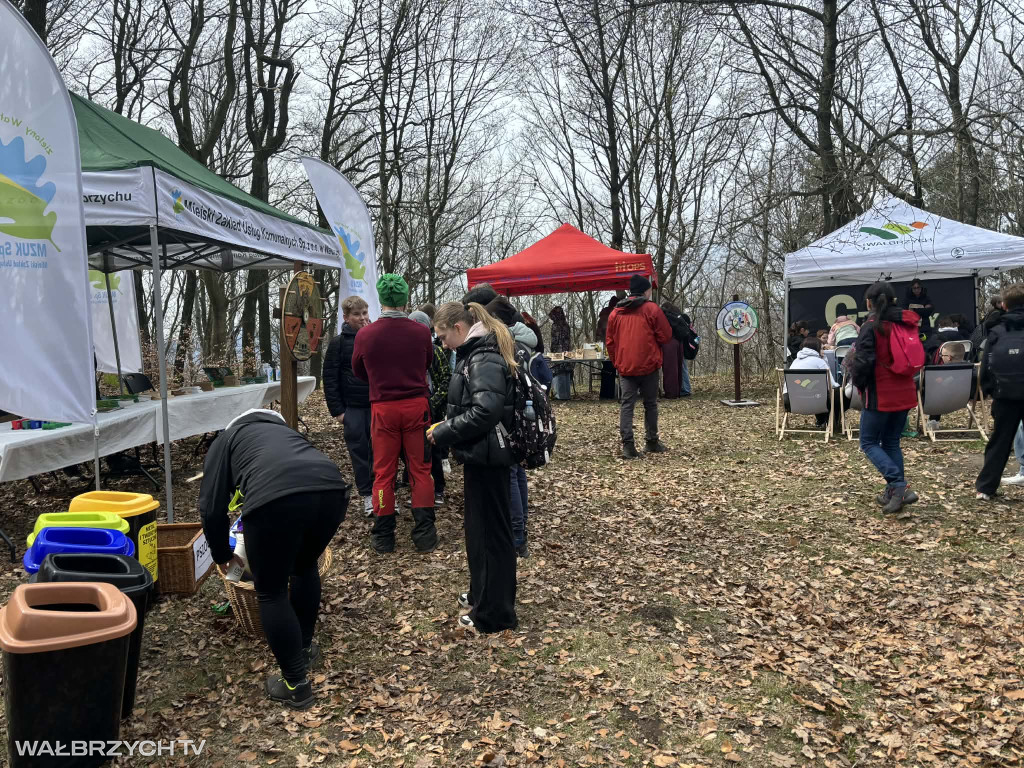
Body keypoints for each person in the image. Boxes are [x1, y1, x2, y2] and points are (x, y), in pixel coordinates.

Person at [199, 409, 350, 709]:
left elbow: (211, 508)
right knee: (304, 566)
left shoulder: (226, 439)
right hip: (333, 490)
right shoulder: (287, 434)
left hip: (276, 500)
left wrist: (223, 555)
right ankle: (304, 650)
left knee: (271, 590)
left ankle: (295, 684)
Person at [429, 301, 518, 633]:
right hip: (480, 456)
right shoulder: (475, 353)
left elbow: (486, 410)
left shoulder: (483, 357)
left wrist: (445, 431)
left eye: (442, 336)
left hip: (490, 457)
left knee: (493, 535)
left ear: (458, 328)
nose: (441, 344)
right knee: (479, 532)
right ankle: (483, 594)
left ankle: (496, 613)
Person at [352, 274, 437, 554]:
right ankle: (424, 534)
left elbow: (358, 371)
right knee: (420, 469)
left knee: (383, 472)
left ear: (381, 300)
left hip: (383, 408)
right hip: (416, 405)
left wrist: (379, 380)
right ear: (404, 300)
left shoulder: (365, 334)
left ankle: (384, 536)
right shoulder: (421, 332)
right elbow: (427, 362)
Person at [848, 281, 923, 513]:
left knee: (868, 442)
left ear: (869, 302)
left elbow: (863, 361)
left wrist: (858, 384)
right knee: (891, 441)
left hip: (879, 392)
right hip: (905, 389)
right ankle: (895, 492)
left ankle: (898, 484)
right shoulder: (906, 323)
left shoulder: (872, 326)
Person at [606, 274, 673, 459]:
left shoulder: (615, 313)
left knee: (627, 405)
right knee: (650, 404)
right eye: (650, 289)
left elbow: (610, 342)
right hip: (649, 365)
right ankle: (651, 441)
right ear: (645, 291)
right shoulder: (652, 309)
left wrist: (617, 362)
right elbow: (666, 335)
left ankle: (628, 446)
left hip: (626, 367)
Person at [323, 296, 374, 518]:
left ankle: (385, 493)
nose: (362, 318)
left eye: (364, 313)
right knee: (360, 452)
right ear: (346, 317)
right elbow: (330, 378)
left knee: (382, 451)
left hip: (378, 405)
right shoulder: (338, 343)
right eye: (357, 314)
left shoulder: (376, 336)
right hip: (352, 409)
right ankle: (368, 496)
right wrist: (339, 412)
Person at [975, 284, 1024, 500]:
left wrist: (988, 390)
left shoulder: (997, 330)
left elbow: (986, 365)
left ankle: (985, 488)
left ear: (1004, 305)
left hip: (1005, 393)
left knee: (1000, 441)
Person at [409, 310, 452, 507]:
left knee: (433, 450)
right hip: (412, 409)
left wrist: (432, 403)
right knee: (414, 452)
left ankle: (438, 489)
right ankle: (418, 488)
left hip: (432, 409)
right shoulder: (406, 350)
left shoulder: (437, 352)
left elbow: (446, 380)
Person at [784, 337, 838, 427]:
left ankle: (821, 422)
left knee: (816, 390)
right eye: (822, 349)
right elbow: (832, 385)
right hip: (816, 402)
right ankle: (830, 423)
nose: (823, 352)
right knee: (833, 394)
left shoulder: (795, 362)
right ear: (816, 349)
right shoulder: (820, 362)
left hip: (791, 402)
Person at [659, 301, 687, 399]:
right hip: (679, 342)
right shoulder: (676, 314)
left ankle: (670, 393)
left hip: (669, 342)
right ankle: (677, 391)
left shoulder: (665, 316)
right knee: (678, 368)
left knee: (669, 369)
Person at [597, 296, 620, 399]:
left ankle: (604, 394)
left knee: (605, 370)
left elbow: (598, 333)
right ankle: (610, 394)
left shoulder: (602, 317)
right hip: (612, 346)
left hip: (603, 346)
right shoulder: (615, 315)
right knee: (611, 371)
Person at [970, 296, 1006, 360]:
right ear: (996, 303)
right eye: (1000, 302)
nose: (1002, 303)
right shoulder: (997, 313)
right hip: (992, 338)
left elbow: (983, 322)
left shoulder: (991, 312)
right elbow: (988, 324)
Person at [549, 306, 572, 400]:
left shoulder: (555, 326)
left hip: (558, 352)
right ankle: (566, 395)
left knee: (559, 373)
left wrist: (552, 351)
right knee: (566, 373)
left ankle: (560, 395)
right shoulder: (566, 325)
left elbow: (555, 341)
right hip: (567, 352)